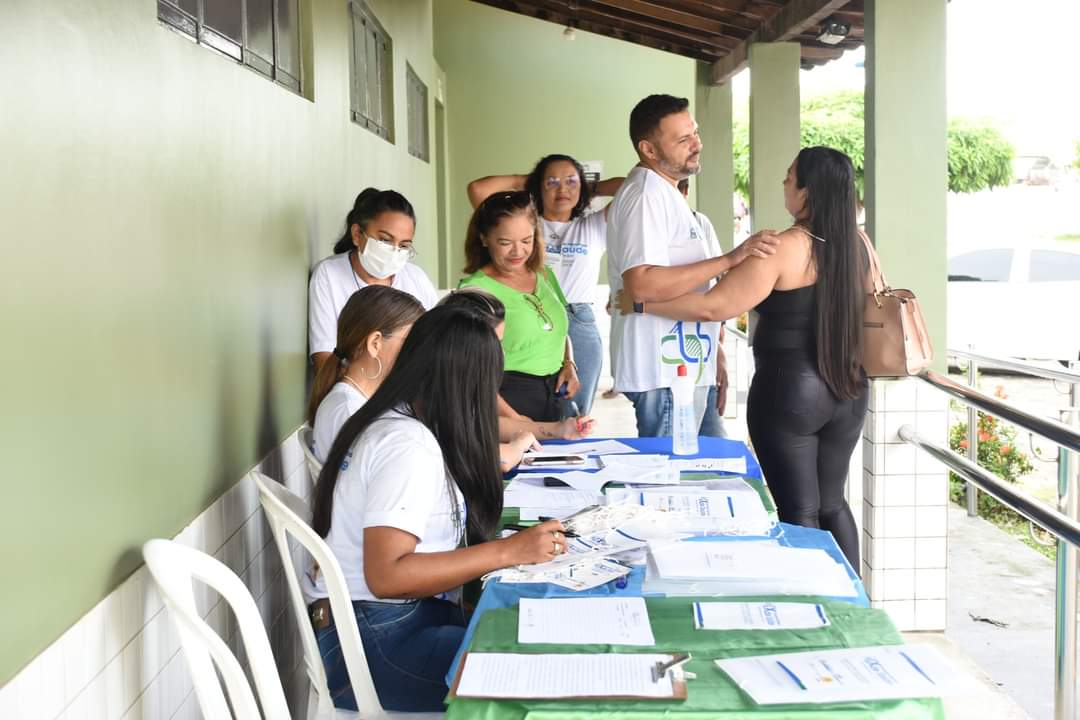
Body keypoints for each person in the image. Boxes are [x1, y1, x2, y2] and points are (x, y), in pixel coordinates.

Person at [306, 305, 569, 712]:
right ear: (467, 385)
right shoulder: (406, 445)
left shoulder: (399, 421)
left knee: (530, 630)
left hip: (386, 623)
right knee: (543, 671)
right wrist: (507, 552)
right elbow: (386, 576)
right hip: (372, 643)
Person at [617, 146, 869, 569]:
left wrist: (641, 305)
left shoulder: (784, 246)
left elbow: (715, 307)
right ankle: (854, 606)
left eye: (790, 177)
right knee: (832, 504)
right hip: (849, 387)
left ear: (807, 192)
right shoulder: (859, 246)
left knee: (798, 510)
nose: (784, 184)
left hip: (792, 390)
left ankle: (811, 609)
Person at [606, 93, 778, 437]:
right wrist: (729, 259)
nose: (696, 144)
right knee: (675, 482)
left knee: (709, 473)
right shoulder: (645, 195)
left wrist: (716, 355)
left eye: (695, 133)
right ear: (649, 150)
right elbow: (640, 286)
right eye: (683, 139)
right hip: (663, 374)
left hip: (689, 368)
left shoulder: (669, 193)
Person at [467, 156, 624, 415]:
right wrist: (529, 182)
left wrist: (585, 188)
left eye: (570, 181)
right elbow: (478, 190)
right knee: (527, 406)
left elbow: (633, 186)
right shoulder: (526, 223)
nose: (562, 189)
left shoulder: (593, 225)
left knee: (574, 413)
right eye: (551, 182)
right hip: (525, 315)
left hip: (577, 319)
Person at [437, 288, 591, 468]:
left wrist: (561, 429)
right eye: (495, 343)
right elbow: (498, 459)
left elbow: (482, 425)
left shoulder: (456, 379)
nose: (500, 352)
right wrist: (517, 446)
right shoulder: (434, 389)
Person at [459, 190, 578, 422]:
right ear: (484, 238)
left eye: (527, 240)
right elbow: (471, 372)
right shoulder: (475, 290)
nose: (518, 252)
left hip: (554, 396)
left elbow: (556, 328)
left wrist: (569, 363)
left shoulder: (544, 274)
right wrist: (517, 421)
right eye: (505, 242)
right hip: (508, 400)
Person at [309, 188, 438, 371]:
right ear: (357, 234)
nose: (394, 252)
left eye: (403, 245)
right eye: (385, 240)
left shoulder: (416, 279)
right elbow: (324, 361)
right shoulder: (329, 275)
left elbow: (439, 343)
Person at [306, 285, 424, 464]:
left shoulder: (353, 401)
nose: (417, 351)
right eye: (410, 341)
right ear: (375, 343)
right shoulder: (349, 411)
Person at [677, 177, 728, 438]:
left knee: (713, 438)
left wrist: (718, 342)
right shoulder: (647, 223)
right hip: (671, 353)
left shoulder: (700, 223)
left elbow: (718, 279)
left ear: (686, 191)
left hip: (702, 341)